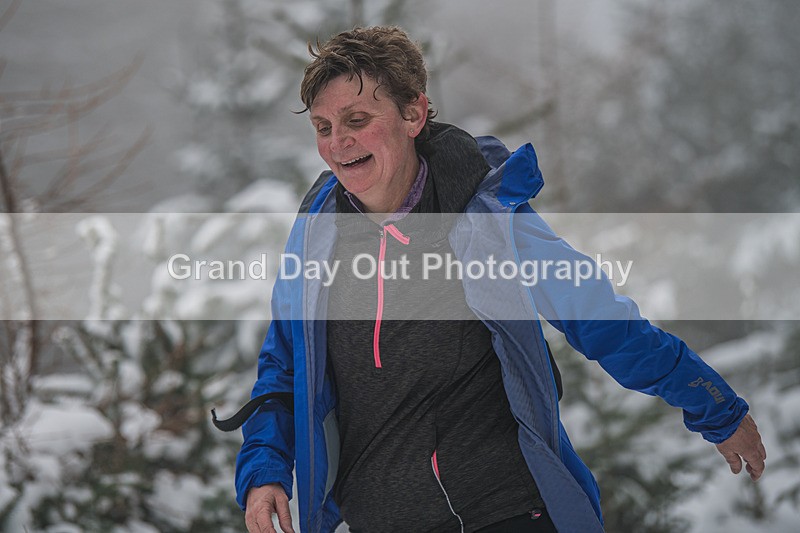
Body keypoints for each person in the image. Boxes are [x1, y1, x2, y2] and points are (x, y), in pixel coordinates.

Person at [215, 26, 767, 533]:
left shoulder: (485, 217)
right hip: (378, 517)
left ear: (414, 113)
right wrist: (263, 471)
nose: (338, 143)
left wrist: (714, 405)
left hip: (500, 508)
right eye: (323, 127)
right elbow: (284, 370)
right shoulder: (317, 235)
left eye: (357, 120)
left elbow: (601, 318)